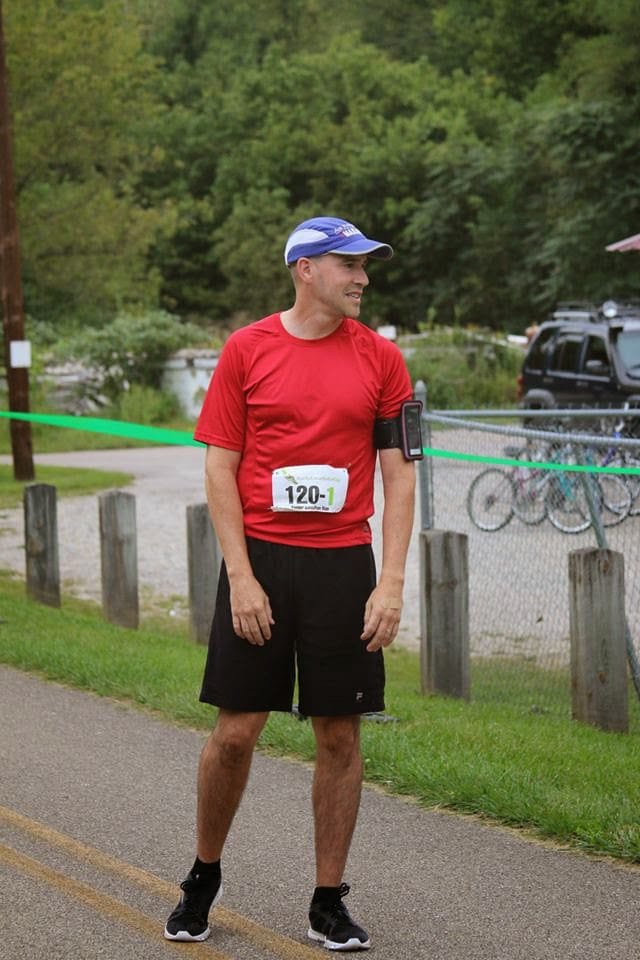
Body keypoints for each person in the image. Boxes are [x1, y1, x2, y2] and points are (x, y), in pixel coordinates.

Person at [164, 216, 417, 952]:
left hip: (343, 565)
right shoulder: (247, 349)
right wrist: (241, 576)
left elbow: (401, 476)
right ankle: (203, 877)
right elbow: (219, 466)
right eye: (349, 265)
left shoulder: (382, 359)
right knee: (236, 733)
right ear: (306, 269)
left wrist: (391, 582)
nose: (363, 278)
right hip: (264, 563)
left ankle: (327, 902)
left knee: (339, 734)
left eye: (365, 266)